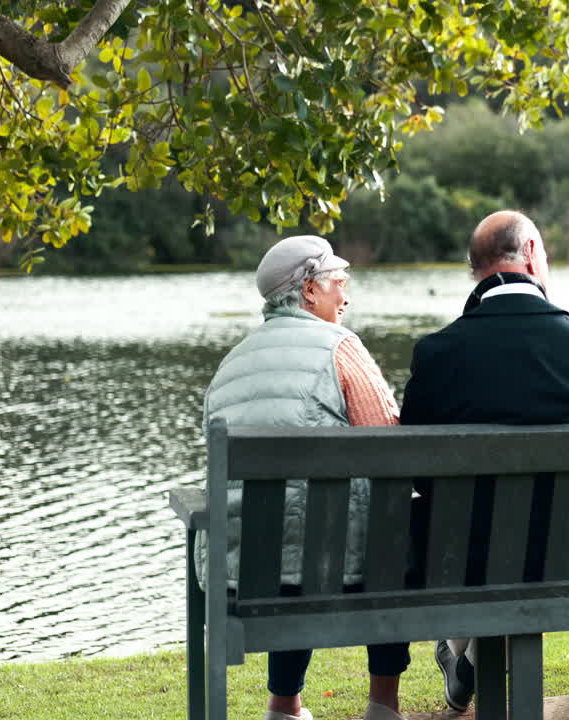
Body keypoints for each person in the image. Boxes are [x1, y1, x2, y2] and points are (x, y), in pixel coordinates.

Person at [400, 210, 569, 713]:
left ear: (475, 268)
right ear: (532, 253)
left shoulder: (436, 353)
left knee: (476, 528)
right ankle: (467, 662)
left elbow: (416, 470)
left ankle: (463, 656)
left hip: (461, 558)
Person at [200, 235, 406, 720]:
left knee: (289, 530)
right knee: (384, 530)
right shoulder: (342, 348)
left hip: (238, 570)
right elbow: (392, 447)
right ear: (310, 290)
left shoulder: (230, 363)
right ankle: (383, 703)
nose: (346, 297)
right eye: (339, 283)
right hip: (334, 569)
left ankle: (284, 705)